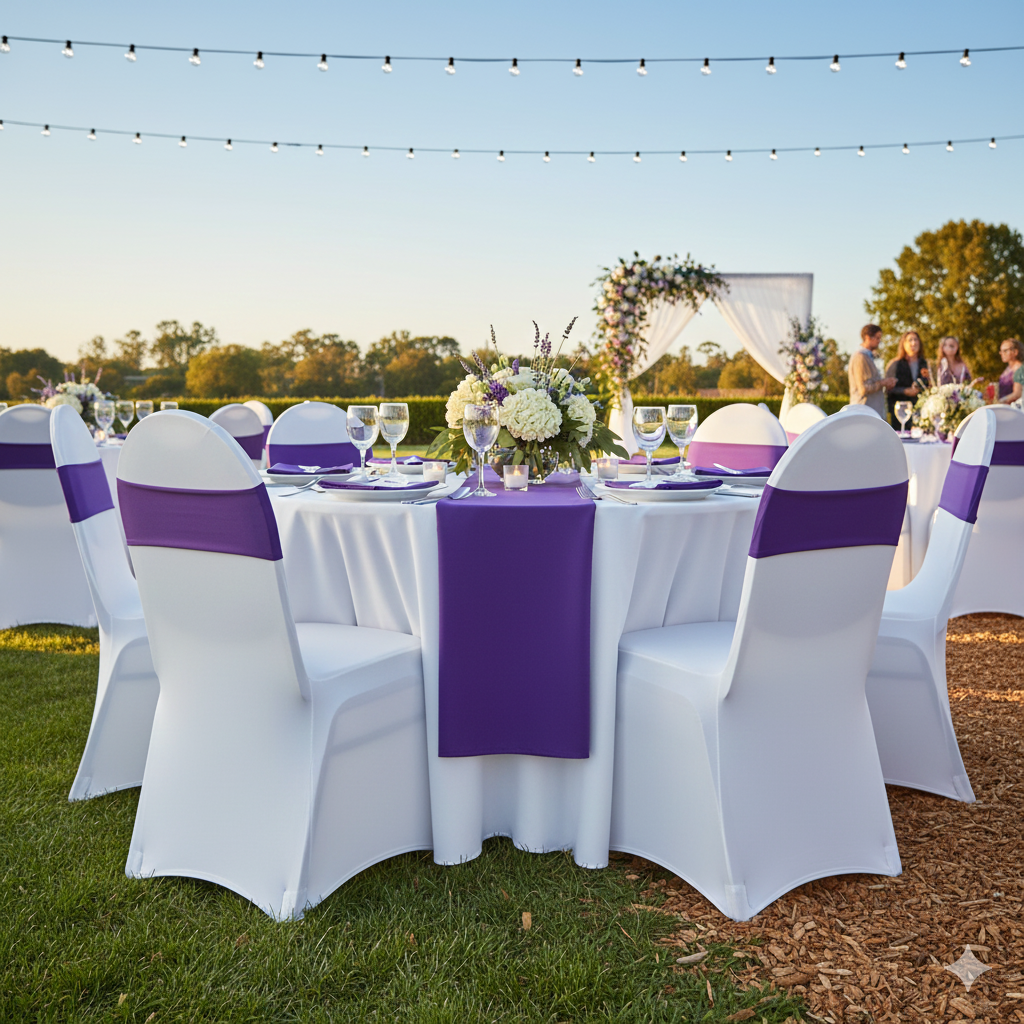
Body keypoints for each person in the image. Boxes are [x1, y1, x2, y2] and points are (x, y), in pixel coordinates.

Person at [885, 330, 932, 427]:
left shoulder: (926, 364)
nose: (913, 343)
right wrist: (905, 391)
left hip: (922, 412)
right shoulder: (895, 364)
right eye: (910, 340)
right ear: (903, 344)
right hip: (901, 413)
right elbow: (888, 389)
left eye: (916, 340)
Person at [848, 324, 895, 418]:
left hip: (871, 412)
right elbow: (863, 388)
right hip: (864, 412)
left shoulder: (869, 357)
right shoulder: (860, 357)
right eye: (877, 338)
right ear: (867, 337)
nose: (879, 341)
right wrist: (883, 382)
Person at [997, 337, 1024, 404]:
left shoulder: (1020, 370)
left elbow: (1017, 394)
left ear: (1015, 352)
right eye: (1001, 351)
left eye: (1005, 350)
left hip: (1015, 408)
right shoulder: (1008, 369)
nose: (1001, 353)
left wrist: (1000, 402)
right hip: (1005, 407)